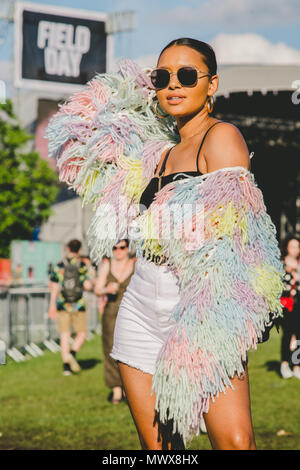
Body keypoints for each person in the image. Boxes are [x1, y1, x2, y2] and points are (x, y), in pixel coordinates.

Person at [47, 38, 284, 450]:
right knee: (160, 450)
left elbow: (236, 240)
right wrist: (137, 89)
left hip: (201, 312)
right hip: (139, 307)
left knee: (234, 442)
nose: (174, 85)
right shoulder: (155, 153)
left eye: (188, 75)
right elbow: (83, 130)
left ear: (212, 85)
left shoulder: (222, 138)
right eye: (162, 76)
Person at [94, 239, 136, 404]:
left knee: (131, 351)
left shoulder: (135, 264)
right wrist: (105, 289)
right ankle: (116, 389)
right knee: (110, 349)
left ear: (127, 248)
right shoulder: (107, 264)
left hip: (132, 312)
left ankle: (128, 389)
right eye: (115, 248)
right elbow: (97, 289)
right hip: (111, 312)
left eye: (122, 248)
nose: (118, 251)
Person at [48, 239, 93, 376]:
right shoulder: (82, 265)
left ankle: (66, 366)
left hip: (63, 304)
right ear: (79, 250)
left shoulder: (59, 265)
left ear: (67, 249)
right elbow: (87, 286)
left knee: (65, 335)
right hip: (78, 304)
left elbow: (54, 287)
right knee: (82, 333)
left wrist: (52, 306)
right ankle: (72, 353)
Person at [279, 235, 300, 379]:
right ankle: (285, 364)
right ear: (287, 247)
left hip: (298, 305)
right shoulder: (281, 264)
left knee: (298, 336)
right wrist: (288, 270)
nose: (295, 249)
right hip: (286, 306)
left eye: (297, 246)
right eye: (292, 246)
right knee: (287, 334)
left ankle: (297, 365)